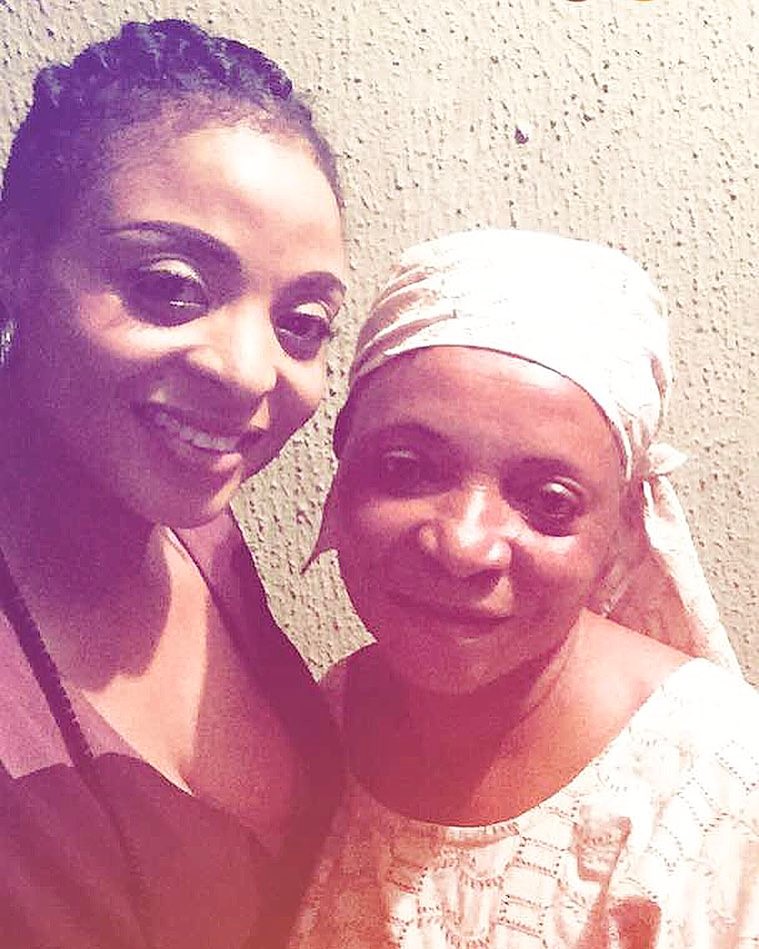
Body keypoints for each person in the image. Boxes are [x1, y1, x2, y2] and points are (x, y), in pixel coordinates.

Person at [293, 229, 759, 947]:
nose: (463, 545)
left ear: (622, 529)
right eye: (407, 468)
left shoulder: (714, 796)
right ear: (343, 467)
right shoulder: (308, 735)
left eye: (548, 500)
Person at [0, 18, 347, 949]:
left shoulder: (199, 531)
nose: (249, 372)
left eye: (302, 323)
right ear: (14, 262)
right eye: (170, 285)